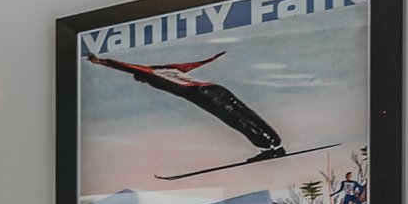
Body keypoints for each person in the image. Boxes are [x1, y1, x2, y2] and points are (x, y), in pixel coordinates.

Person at [87, 50, 284, 155]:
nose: (141, 81)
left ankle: (267, 146)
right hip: (216, 88)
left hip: (202, 94)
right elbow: (194, 64)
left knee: (237, 121)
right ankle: (276, 142)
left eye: (140, 79)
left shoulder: (149, 73)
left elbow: (127, 67)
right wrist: (214, 57)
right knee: (246, 113)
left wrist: (102, 61)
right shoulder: (171, 68)